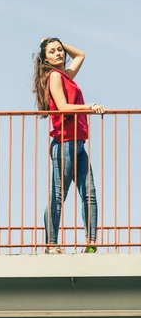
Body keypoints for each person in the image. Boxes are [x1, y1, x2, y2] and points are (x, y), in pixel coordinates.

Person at [32, 38, 105, 254]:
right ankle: (51, 244)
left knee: (89, 194)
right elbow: (63, 106)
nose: (58, 53)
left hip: (78, 144)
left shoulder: (65, 76)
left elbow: (80, 55)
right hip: (64, 144)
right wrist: (89, 106)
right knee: (58, 196)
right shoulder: (54, 76)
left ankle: (91, 244)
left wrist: (59, 41)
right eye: (52, 51)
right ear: (45, 59)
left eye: (60, 50)